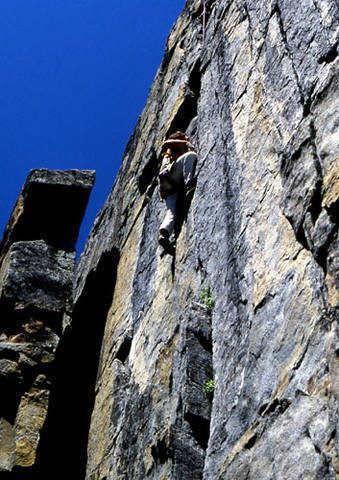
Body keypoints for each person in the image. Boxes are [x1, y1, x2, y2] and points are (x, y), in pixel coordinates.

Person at [158, 131, 198, 250]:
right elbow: (184, 154)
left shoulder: (171, 150)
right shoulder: (173, 149)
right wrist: (190, 148)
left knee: (171, 212)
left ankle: (164, 234)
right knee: (190, 156)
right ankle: (189, 184)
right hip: (170, 176)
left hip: (167, 187)